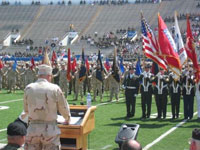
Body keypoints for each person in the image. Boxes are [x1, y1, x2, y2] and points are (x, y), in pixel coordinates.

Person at [22, 64, 71, 150]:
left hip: (32, 129)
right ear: (49, 76)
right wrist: (67, 118)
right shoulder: (55, 88)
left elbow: (26, 110)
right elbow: (63, 108)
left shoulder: (28, 88)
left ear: (38, 75)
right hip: (50, 130)